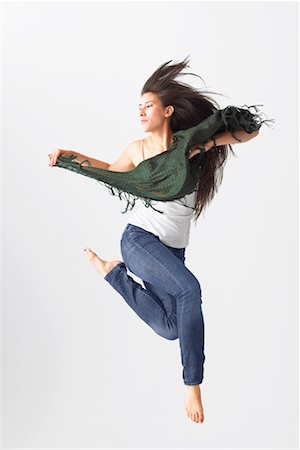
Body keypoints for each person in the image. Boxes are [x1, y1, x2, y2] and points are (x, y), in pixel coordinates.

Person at [48, 58, 259, 424]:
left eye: (148, 105)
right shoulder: (137, 150)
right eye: (138, 107)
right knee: (190, 291)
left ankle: (113, 274)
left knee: (171, 327)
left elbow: (249, 132)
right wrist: (69, 156)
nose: (142, 111)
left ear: (168, 111)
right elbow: (106, 171)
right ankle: (193, 383)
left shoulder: (189, 146)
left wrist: (206, 142)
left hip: (172, 251)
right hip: (139, 240)